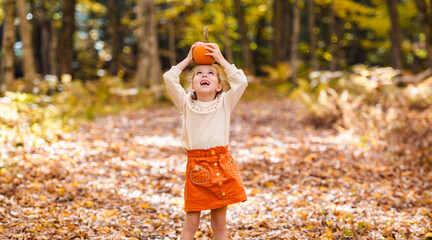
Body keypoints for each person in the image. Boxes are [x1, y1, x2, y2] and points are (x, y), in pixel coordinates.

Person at [163, 42, 248, 240]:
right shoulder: (186, 103)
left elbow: (241, 82)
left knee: (219, 224)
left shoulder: (225, 102)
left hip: (221, 163)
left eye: (210, 73)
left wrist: (220, 59)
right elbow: (169, 78)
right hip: (197, 168)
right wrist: (188, 59)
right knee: (191, 223)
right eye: (198, 73)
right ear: (192, 85)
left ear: (219, 86)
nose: (204, 76)